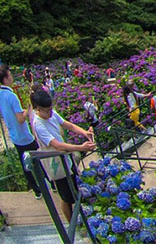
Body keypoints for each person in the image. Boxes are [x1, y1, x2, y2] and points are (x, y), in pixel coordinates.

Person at [30, 88, 95, 223]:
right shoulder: (38, 124)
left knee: (73, 190)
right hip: (56, 164)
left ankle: (77, 219)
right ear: (38, 109)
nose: (50, 113)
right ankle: (72, 223)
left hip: (65, 159)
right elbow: (57, 145)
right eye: (47, 111)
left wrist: (84, 133)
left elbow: (69, 125)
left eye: (51, 109)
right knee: (66, 197)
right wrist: (81, 147)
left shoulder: (52, 114)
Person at [0, 65, 43, 200]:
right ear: (5, 79)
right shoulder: (12, 96)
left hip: (14, 136)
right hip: (24, 136)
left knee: (25, 163)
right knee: (39, 157)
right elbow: (21, 119)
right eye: (9, 75)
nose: (11, 78)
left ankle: (36, 190)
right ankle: (51, 184)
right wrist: (27, 110)